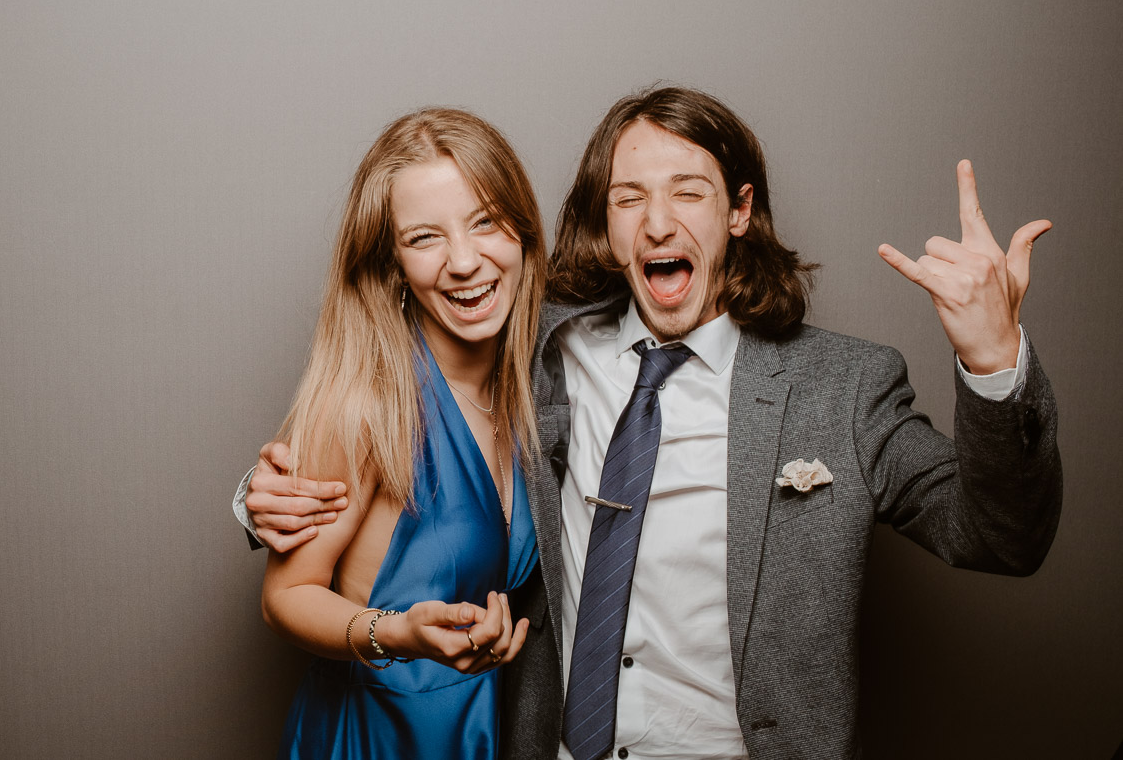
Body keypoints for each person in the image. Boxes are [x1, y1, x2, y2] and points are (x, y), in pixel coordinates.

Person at [238, 86, 1062, 760]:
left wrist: (994, 363)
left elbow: (1002, 536)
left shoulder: (840, 387)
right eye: (629, 199)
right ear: (606, 223)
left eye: (688, 193)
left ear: (738, 211)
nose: (658, 223)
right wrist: (255, 498)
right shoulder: (543, 346)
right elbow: (399, 400)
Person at [260, 107, 548, 759]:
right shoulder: (365, 402)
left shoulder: (532, 385)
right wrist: (395, 633)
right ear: (392, 262)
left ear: (524, 230)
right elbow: (286, 596)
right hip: (372, 739)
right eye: (425, 238)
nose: (465, 261)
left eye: (485, 221)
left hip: (476, 737)